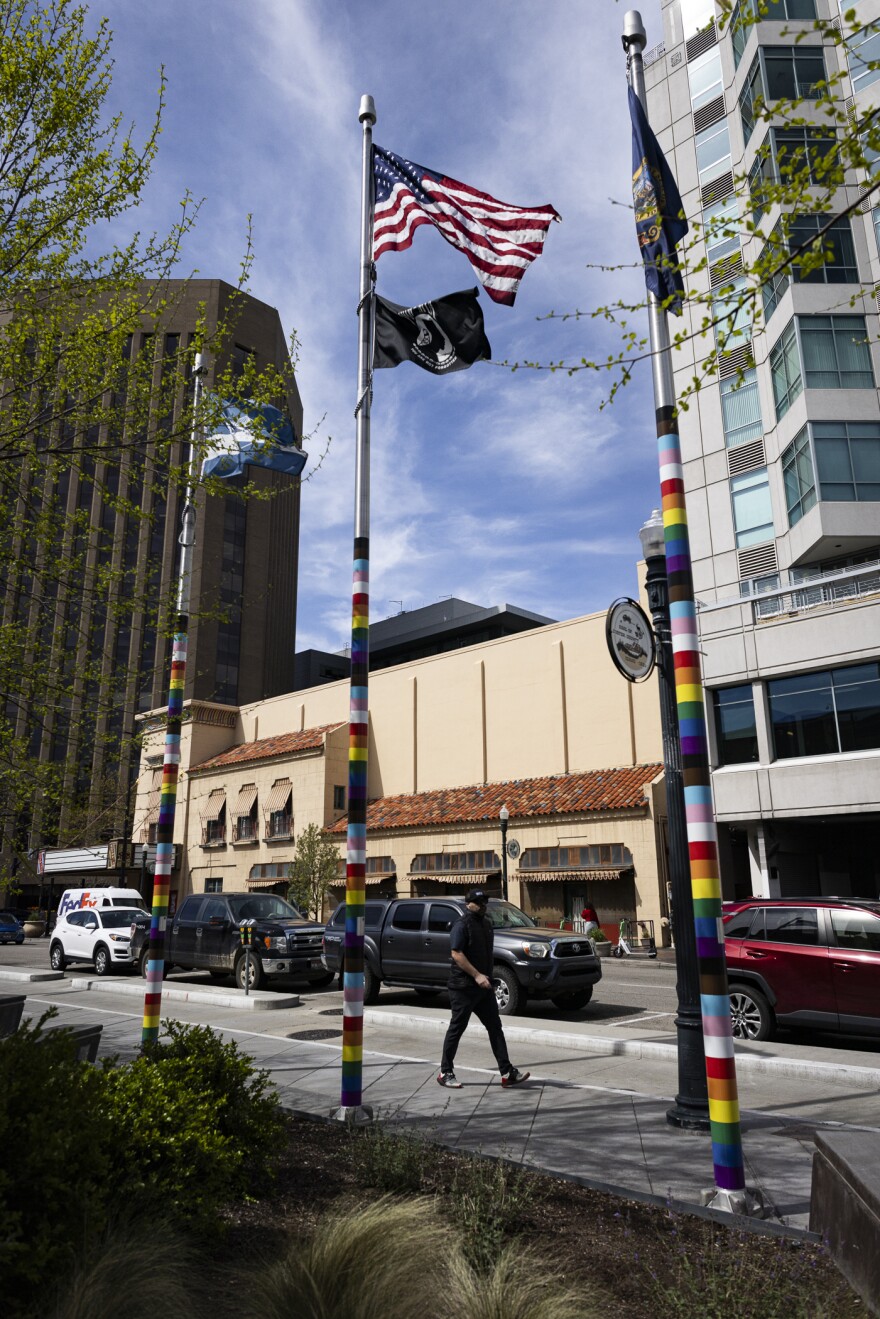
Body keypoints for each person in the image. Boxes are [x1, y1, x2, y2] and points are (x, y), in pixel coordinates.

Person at [437, 888, 530, 1089]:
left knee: (495, 1027)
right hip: (463, 987)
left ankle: (507, 1072)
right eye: (479, 903)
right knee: (457, 1028)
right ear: (468, 904)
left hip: (484, 987)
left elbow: (485, 955)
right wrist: (477, 975)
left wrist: (489, 977)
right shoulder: (461, 925)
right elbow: (457, 954)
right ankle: (445, 1072)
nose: (483, 906)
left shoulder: (486, 925)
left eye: (484, 902)